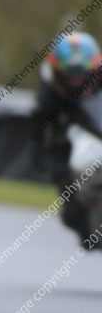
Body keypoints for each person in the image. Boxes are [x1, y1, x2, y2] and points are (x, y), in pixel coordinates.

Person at [33, 31, 102, 246]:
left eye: (83, 76)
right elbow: (44, 147)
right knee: (76, 220)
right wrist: (65, 185)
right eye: (70, 76)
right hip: (89, 155)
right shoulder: (50, 101)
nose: (78, 83)